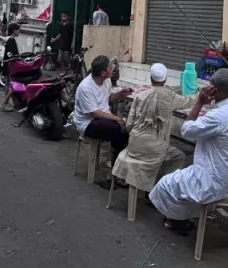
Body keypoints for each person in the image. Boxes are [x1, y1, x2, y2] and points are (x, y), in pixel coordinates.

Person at [149, 69, 228, 233]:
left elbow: (186, 130)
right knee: (182, 180)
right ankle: (187, 215)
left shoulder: (218, 116)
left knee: (165, 184)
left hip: (215, 181)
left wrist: (199, 102)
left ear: (215, 89)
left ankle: (178, 222)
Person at [111, 63, 196, 196]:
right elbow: (188, 101)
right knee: (178, 157)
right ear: (165, 79)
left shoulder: (140, 96)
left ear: (151, 78)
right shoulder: (170, 97)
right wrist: (200, 96)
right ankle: (159, 190)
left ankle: (149, 186)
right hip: (156, 150)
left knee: (161, 153)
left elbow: (129, 125)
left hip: (134, 146)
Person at [73, 55, 132, 188]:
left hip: (104, 119)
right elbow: (95, 113)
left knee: (123, 132)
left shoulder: (107, 81)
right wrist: (117, 119)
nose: (113, 69)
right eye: (110, 67)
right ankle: (114, 173)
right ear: (103, 73)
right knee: (118, 129)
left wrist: (120, 94)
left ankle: (114, 172)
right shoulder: (85, 87)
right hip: (88, 123)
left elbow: (107, 99)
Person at [0, 22, 22, 112]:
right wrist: (17, 59)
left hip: (9, 66)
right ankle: (4, 102)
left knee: (9, 84)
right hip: (11, 66)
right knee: (13, 85)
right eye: (18, 30)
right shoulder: (11, 40)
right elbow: (11, 54)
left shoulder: (10, 40)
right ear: (14, 30)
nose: (19, 32)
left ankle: (6, 102)